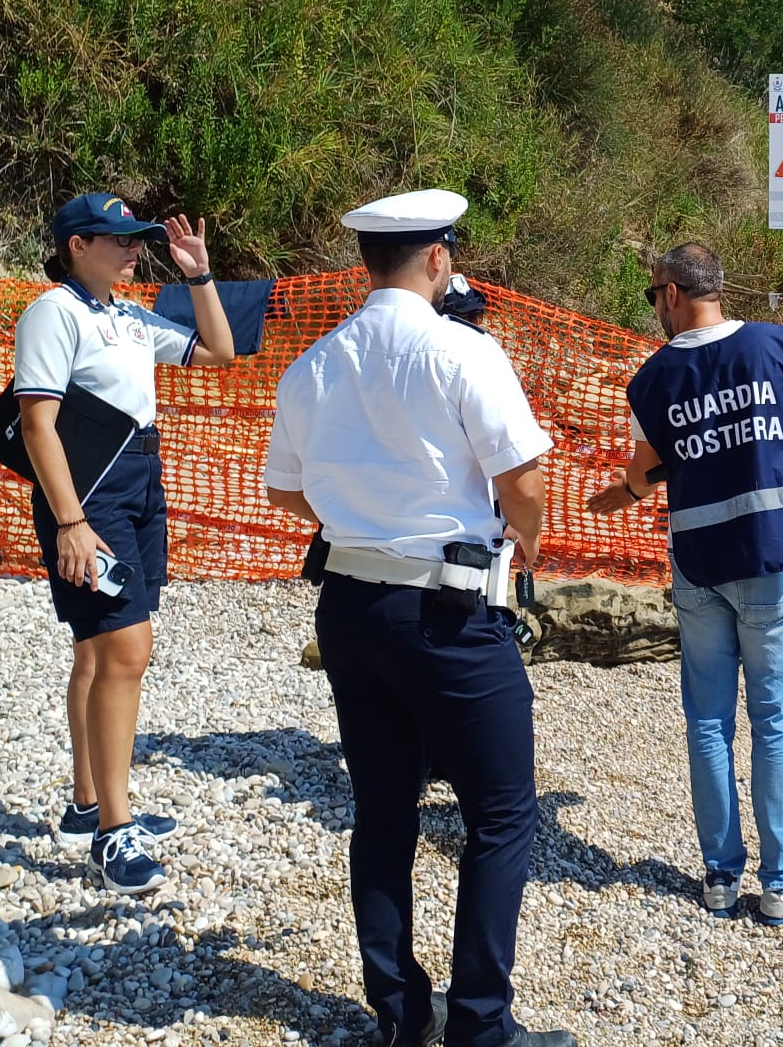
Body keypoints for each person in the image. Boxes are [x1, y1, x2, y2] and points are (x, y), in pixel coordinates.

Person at [262, 189, 575, 1047]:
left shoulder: (313, 362)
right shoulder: (464, 352)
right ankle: (481, 1026)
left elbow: (286, 489)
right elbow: (525, 479)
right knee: (503, 815)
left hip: (351, 607)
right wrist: (529, 540)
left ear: (369, 263)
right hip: (449, 612)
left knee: (384, 811)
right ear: (438, 260)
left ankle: (400, 1017)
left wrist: (355, 517)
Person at [587, 241, 783, 926]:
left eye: (651, 297)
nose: (654, 310)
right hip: (770, 558)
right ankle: (782, 884)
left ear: (672, 293)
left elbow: (648, 471)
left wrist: (622, 492)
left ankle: (720, 879)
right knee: (775, 717)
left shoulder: (653, 380)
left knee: (707, 720)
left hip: (697, 562)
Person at [13, 192, 235, 893]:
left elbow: (220, 353)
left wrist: (199, 277)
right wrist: (71, 523)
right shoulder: (54, 313)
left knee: (96, 647)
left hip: (141, 479)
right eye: (120, 239)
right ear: (76, 245)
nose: (135, 248)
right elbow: (37, 425)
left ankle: (88, 805)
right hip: (92, 492)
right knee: (127, 649)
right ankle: (115, 831)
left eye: (138, 239)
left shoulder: (129, 315)